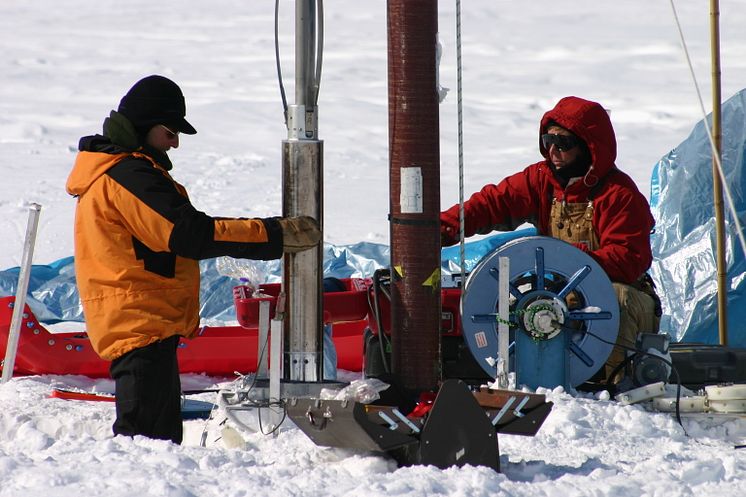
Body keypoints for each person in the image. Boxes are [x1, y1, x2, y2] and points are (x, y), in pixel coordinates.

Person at [65, 75, 320, 444]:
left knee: (158, 441)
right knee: (146, 444)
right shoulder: (126, 174)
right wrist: (274, 234)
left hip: (142, 320)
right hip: (139, 321)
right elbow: (188, 233)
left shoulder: (119, 171)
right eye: (170, 131)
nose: (175, 143)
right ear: (145, 126)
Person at [440, 96, 661, 382]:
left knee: (615, 298)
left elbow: (629, 260)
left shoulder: (620, 196)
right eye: (548, 140)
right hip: (563, 293)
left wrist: (567, 259)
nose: (553, 150)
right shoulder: (542, 179)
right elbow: (491, 204)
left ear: (588, 146)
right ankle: (524, 378)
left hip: (624, 301)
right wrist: (438, 228)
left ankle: (619, 387)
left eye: (564, 143)